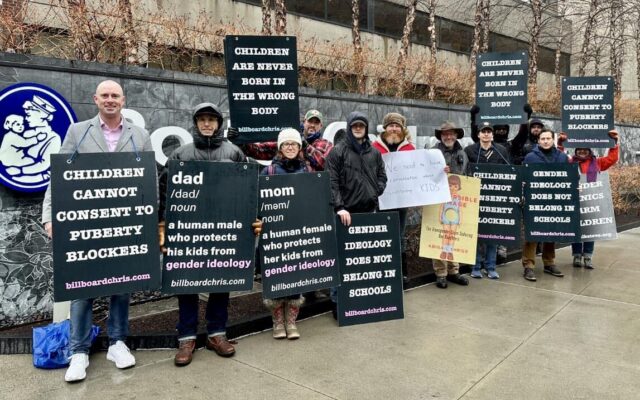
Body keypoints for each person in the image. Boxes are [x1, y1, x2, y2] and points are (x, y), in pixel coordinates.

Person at [41, 80, 150, 382]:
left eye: (115, 95)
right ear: (96, 99)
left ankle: (118, 342)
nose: (110, 100)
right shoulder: (78, 131)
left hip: (125, 221)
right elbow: (59, 175)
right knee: (82, 288)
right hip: (85, 220)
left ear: (123, 100)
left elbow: (149, 180)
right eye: (105, 95)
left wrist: (149, 219)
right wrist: (50, 216)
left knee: (122, 284)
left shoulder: (139, 135)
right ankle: (79, 351)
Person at [158, 102, 262, 366]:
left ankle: (217, 333)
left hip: (224, 230)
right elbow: (164, 190)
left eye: (211, 119)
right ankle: (187, 338)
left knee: (222, 278)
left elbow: (249, 189)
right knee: (185, 282)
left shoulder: (234, 152)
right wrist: (162, 226)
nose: (207, 124)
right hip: (188, 232)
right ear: (196, 123)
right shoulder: (181, 153)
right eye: (202, 119)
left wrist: (254, 219)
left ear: (219, 123)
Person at [326, 111, 387, 316]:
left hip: (368, 211)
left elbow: (382, 176)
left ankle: (360, 299)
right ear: (349, 127)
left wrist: (375, 191)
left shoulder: (374, 153)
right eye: (355, 126)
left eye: (361, 125)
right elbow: (331, 182)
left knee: (363, 258)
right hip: (346, 214)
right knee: (341, 259)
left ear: (366, 128)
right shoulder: (338, 151)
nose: (358, 128)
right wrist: (339, 207)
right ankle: (337, 301)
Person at [260, 128, 313, 339]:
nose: (290, 147)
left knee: (296, 278)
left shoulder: (307, 171)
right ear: (280, 148)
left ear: (300, 147)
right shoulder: (269, 172)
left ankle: (291, 321)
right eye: (286, 144)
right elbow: (259, 203)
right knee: (277, 277)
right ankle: (277, 322)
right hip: (276, 235)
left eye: (294, 144)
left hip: (300, 233)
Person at [559, 130, 620, 269]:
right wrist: (561, 143)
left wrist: (614, 143)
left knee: (590, 229)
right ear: (576, 151)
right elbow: (558, 157)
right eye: (579, 150)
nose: (582, 152)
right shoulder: (569, 162)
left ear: (589, 151)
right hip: (574, 201)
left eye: (585, 150)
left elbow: (612, 159)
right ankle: (576, 256)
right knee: (576, 230)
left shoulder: (597, 162)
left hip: (591, 201)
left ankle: (587, 256)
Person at [372, 112, 415, 284]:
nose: (394, 129)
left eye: (397, 126)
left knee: (399, 236)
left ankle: (401, 273)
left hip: (401, 202)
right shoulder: (374, 147)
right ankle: (382, 272)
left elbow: (418, 173)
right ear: (385, 128)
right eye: (391, 125)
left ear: (402, 129)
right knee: (380, 237)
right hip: (380, 201)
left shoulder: (410, 149)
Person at [464, 122, 510, 279]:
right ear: (478, 134)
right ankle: (475, 265)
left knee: (492, 233)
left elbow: (508, 172)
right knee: (476, 233)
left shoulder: (501, 150)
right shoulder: (469, 150)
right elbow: (465, 172)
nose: (486, 134)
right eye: (483, 131)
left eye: (489, 131)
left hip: (494, 198)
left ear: (492, 134)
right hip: (475, 198)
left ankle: (491, 266)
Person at [521, 128, 568, 282]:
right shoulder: (530, 157)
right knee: (532, 234)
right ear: (538, 141)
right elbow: (523, 178)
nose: (546, 141)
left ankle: (549, 262)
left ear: (553, 140)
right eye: (543, 139)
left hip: (555, 200)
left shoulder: (562, 157)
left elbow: (568, 177)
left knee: (551, 232)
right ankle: (528, 265)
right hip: (534, 200)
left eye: (548, 138)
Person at [428, 121, 469, 289]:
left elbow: (467, 175)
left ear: (456, 135)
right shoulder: (433, 153)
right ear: (441, 136)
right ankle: (441, 273)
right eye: (445, 134)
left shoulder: (462, 153)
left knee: (454, 236)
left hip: (456, 200)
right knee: (439, 236)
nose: (449, 136)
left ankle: (454, 271)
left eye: (451, 133)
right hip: (437, 200)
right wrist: (438, 172)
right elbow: (425, 177)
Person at [229, 109, 333, 171]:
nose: (312, 125)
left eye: (316, 123)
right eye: (310, 121)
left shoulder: (327, 144)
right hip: (283, 187)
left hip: (309, 188)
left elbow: (326, 165)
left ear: (321, 126)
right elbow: (260, 150)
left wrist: (305, 146)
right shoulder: (289, 138)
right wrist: (240, 140)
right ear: (304, 122)